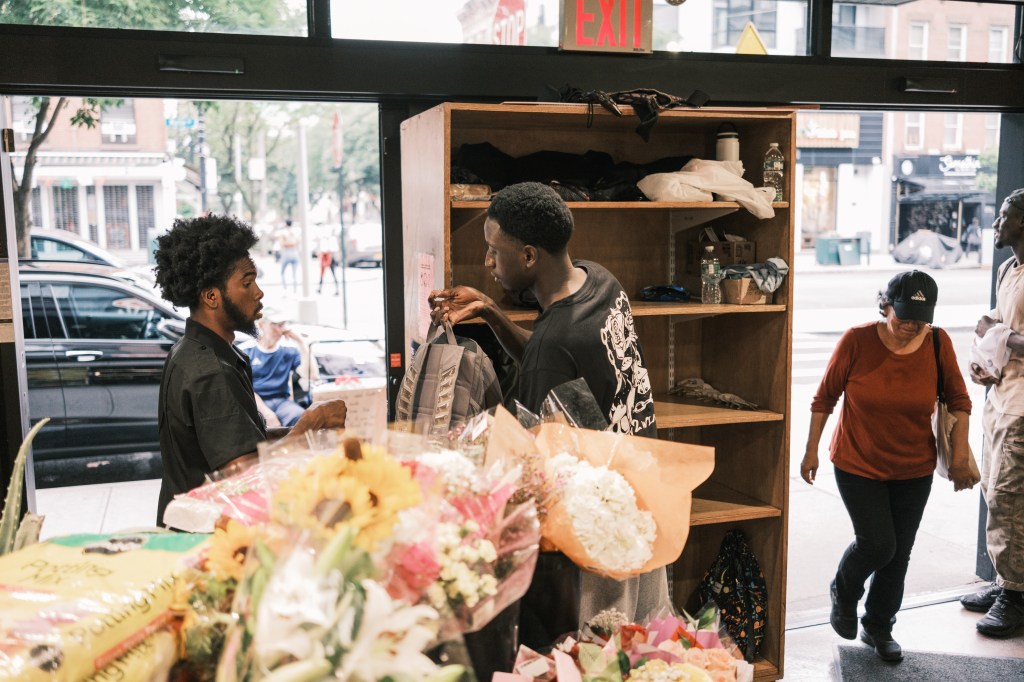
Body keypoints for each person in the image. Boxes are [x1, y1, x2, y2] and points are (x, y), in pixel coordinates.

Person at [428, 182, 659, 650]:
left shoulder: (555, 342)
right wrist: (492, 312)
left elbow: (532, 459)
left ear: (529, 256)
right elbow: (547, 350)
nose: (489, 261)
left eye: (494, 251)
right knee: (640, 644)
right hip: (642, 499)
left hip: (596, 531)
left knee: (594, 653)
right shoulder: (599, 280)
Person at [801, 269, 978, 662]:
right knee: (878, 545)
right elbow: (823, 399)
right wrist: (810, 450)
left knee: (899, 554)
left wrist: (961, 456)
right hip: (857, 462)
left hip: (913, 468)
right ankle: (843, 591)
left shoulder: (936, 342)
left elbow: (960, 400)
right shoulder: (857, 340)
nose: (911, 326)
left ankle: (879, 626)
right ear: (885, 306)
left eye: (920, 318)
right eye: (904, 316)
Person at [152, 214, 347, 526]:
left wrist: (302, 432)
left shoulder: (206, 350)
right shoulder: (209, 371)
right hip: (205, 534)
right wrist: (310, 424)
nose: (259, 292)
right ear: (211, 296)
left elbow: (244, 442)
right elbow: (244, 473)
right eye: (247, 282)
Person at [961, 188, 1024, 638]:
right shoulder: (1009, 268)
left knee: (1007, 497)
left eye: (1005, 215)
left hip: (1022, 408)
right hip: (1000, 397)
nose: (996, 223)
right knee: (994, 491)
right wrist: (985, 353)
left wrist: (999, 335)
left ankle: (1016, 596)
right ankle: (1006, 580)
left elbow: (1007, 331)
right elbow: (1001, 323)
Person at [245, 312, 318, 428]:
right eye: (275, 325)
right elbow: (244, 388)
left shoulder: (288, 351)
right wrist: (267, 414)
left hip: (282, 402)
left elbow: (312, 375)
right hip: (256, 402)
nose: (280, 331)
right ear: (261, 324)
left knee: (303, 420)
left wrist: (301, 343)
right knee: (260, 426)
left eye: (282, 325)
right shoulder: (246, 351)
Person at [278, 219, 300, 292]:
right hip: (295, 252)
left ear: (285, 224)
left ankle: (285, 289)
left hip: (287, 252)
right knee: (295, 274)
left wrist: (287, 243)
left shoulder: (283, 232)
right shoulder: (296, 231)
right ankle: (295, 290)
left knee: (282, 273)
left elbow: (281, 243)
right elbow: (298, 242)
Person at [317, 230, 340, 295]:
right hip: (325, 256)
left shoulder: (331, 239)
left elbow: (334, 249)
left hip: (330, 257)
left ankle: (337, 289)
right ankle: (320, 288)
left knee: (333, 274)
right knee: (322, 274)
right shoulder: (325, 239)